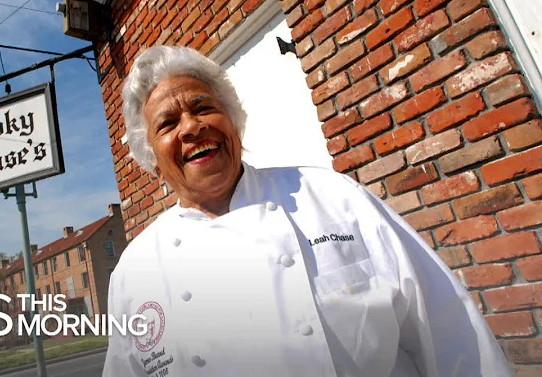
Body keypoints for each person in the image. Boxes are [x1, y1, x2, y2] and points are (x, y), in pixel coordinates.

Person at [102, 45, 511, 377]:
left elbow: (449, 331)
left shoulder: (333, 198)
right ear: (151, 157)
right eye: (168, 122)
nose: (192, 126)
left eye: (203, 107)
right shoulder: (134, 273)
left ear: (233, 121)